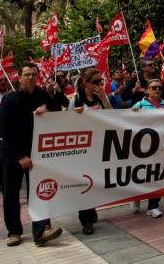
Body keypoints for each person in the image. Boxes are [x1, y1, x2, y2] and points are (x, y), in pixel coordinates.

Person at [0, 63, 62, 247]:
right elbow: (4, 131)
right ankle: (14, 231)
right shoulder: (10, 100)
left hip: (37, 153)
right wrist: (20, 156)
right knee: (11, 194)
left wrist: (48, 111)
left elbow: (58, 112)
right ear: (19, 77)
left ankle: (42, 230)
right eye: (27, 75)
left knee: (40, 192)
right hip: (13, 155)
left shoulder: (42, 95)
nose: (31, 78)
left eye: (34, 74)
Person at [68, 68, 112, 234]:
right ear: (85, 83)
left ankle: (90, 211)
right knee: (84, 184)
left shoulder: (101, 98)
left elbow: (113, 117)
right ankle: (86, 220)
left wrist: (105, 100)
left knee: (95, 183)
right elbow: (65, 123)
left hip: (100, 147)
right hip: (82, 149)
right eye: (95, 82)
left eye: (101, 81)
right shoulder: (76, 100)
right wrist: (75, 116)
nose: (99, 85)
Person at [131, 78, 164, 216]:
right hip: (142, 148)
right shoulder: (140, 105)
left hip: (160, 147)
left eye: (159, 88)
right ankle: (136, 197)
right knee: (141, 175)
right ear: (147, 90)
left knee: (157, 176)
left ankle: (153, 206)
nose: (157, 90)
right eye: (153, 87)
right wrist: (132, 112)